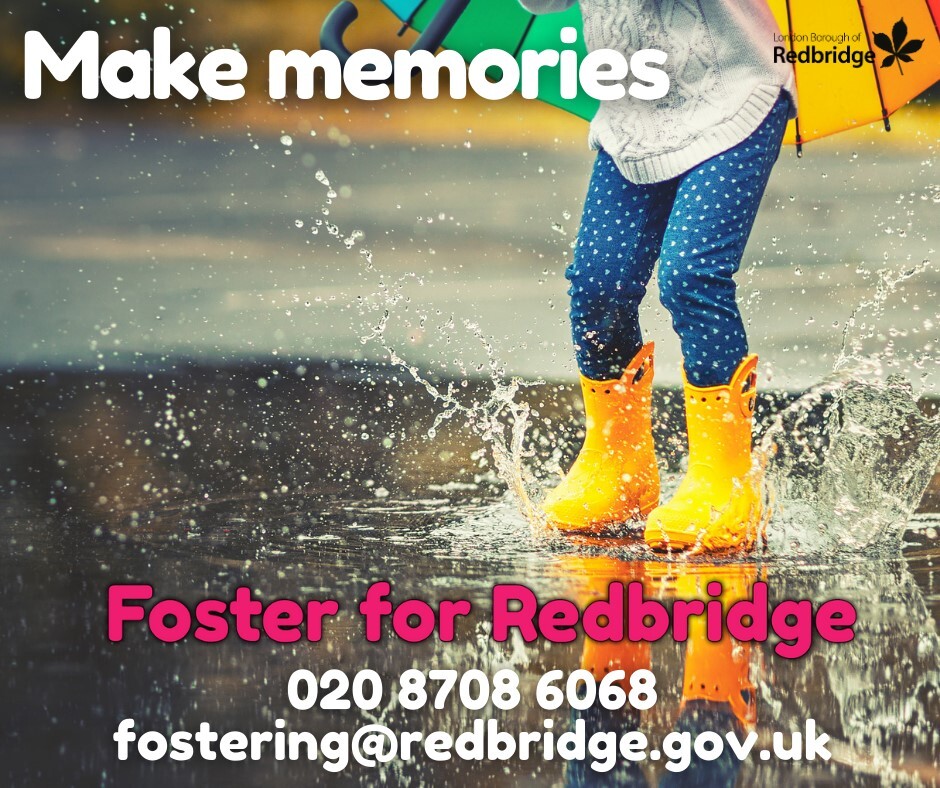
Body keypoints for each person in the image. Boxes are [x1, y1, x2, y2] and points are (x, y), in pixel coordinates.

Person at [520, 0, 797, 552]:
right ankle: (619, 467)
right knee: (599, 286)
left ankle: (726, 479)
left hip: (734, 93)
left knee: (692, 276)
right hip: (634, 115)